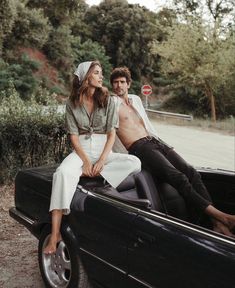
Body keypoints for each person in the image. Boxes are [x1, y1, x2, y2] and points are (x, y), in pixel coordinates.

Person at [110, 66, 235, 237]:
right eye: (115, 83)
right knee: (178, 177)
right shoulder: (110, 104)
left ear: (129, 84)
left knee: (192, 172)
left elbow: (147, 125)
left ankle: (215, 223)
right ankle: (221, 217)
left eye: (122, 82)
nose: (118, 86)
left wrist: (165, 145)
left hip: (155, 142)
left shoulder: (135, 100)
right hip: (139, 147)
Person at [44, 61, 141, 254]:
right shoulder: (71, 103)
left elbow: (112, 134)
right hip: (81, 150)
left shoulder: (108, 100)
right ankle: (55, 234)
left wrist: (102, 160)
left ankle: (90, 175)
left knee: (135, 162)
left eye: (101, 73)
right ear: (86, 76)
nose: (100, 76)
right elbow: (73, 136)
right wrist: (86, 161)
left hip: (103, 149)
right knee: (62, 173)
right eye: (96, 73)